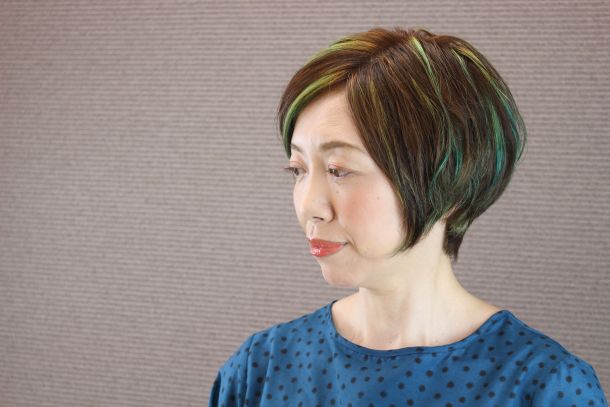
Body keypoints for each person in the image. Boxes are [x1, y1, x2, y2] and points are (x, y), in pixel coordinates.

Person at [208, 26, 608, 406]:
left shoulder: (546, 388)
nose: (309, 206)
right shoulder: (260, 369)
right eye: (298, 170)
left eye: (339, 170)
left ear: (448, 181)